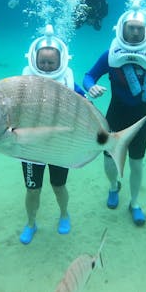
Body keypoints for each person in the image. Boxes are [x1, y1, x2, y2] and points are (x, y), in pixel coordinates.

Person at [83, 0, 146, 226]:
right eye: (131, 28)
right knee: (108, 157)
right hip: (114, 115)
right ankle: (113, 186)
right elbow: (89, 76)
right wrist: (91, 87)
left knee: (137, 162)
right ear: (122, 28)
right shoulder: (110, 53)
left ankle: (135, 202)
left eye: (140, 28)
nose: (135, 32)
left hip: (141, 118)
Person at [18, 24, 86, 244]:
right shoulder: (22, 82)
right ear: (34, 60)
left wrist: (90, 94)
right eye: (42, 62)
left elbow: (84, 104)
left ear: (60, 62)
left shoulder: (69, 81)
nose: (46, 67)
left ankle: (64, 214)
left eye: (51, 63)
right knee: (32, 190)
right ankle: (30, 223)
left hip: (59, 146)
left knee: (59, 186)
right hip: (30, 147)